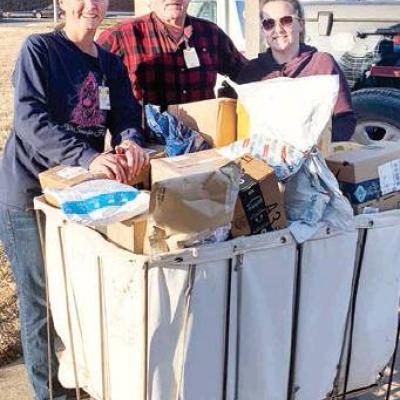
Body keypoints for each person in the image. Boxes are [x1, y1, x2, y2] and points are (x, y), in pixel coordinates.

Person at [0, 0, 149, 399]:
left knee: (78, 292)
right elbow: (30, 121)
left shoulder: (109, 65)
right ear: (62, 4)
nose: (91, 5)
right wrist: (89, 157)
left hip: (76, 196)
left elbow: (127, 117)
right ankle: (51, 394)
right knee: (41, 304)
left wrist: (130, 143)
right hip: (29, 195)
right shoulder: (40, 50)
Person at [237, 0, 356, 142]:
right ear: (263, 30)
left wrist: (320, 146)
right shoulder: (252, 72)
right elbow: (237, 120)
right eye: (269, 23)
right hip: (262, 158)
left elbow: (344, 118)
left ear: (301, 24)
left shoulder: (322, 64)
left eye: (286, 21)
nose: (278, 29)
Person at [97, 0, 247, 109]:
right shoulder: (121, 36)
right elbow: (84, 84)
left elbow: (247, 73)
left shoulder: (210, 33)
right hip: (147, 145)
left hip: (203, 140)